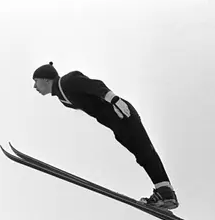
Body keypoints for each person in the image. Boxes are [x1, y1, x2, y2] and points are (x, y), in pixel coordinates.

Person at [32, 61, 179, 210]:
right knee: (141, 154)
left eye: (36, 81)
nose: (35, 86)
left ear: (46, 79)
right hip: (114, 122)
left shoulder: (67, 81)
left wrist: (115, 100)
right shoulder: (62, 98)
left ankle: (165, 194)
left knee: (144, 151)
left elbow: (95, 85)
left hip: (120, 112)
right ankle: (164, 192)